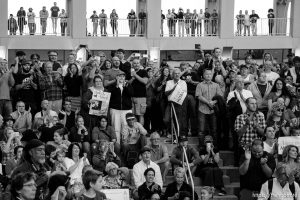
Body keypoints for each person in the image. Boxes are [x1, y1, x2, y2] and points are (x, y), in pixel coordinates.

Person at [196, 69, 222, 143]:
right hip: (202, 109)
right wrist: (208, 102)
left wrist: (214, 102)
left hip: (213, 110)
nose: (208, 75)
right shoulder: (199, 85)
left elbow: (219, 96)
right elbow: (199, 96)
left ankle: (215, 148)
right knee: (201, 130)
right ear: (203, 75)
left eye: (210, 74)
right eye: (207, 74)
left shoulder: (216, 85)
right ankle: (201, 148)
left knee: (214, 130)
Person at [108, 70, 134, 144]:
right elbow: (111, 96)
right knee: (116, 128)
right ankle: (117, 145)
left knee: (125, 128)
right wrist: (116, 86)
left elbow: (131, 93)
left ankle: (125, 145)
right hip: (115, 110)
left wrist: (125, 86)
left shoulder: (128, 85)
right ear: (116, 77)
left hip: (126, 110)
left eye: (123, 76)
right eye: (120, 76)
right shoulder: (112, 86)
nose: (121, 78)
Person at [164, 68, 188, 136]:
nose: (177, 75)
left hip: (179, 103)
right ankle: (170, 131)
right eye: (175, 73)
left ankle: (178, 135)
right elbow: (166, 93)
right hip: (170, 103)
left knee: (179, 120)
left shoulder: (183, 82)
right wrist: (173, 89)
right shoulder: (169, 82)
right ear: (172, 75)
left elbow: (184, 94)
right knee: (166, 119)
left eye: (178, 73)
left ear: (180, 74)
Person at [130, 58, 148, 124]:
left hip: (141, 97)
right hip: (132, 97)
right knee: (133, 115)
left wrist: (135, 75)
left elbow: (145, 81)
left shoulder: (143, 72)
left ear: (139, 64)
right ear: (132, 65)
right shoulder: (131, 73)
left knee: (140, 115)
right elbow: (128, 83)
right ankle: (135, 131)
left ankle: (141, 132)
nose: (136, 64)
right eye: (134, 63)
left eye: (137, 63)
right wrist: (132, 78)